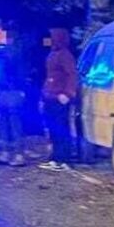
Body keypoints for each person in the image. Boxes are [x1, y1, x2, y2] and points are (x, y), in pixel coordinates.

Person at [38, 27, 78, 171]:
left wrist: (67, 94)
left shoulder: (65, 55)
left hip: (60, 97)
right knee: (53, 128)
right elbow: (50, 76)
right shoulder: (53, 54)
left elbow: (72, 75)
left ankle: (64, 159)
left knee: (61, 128)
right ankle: (55, 157)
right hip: (51, 96)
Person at [0, 30, 27, 167]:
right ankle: (13, 152)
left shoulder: (8, 53)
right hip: (11, 90)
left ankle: (11, 152)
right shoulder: (18, 53)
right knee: (10, 120)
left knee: (8, 121)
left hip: (8, 90)